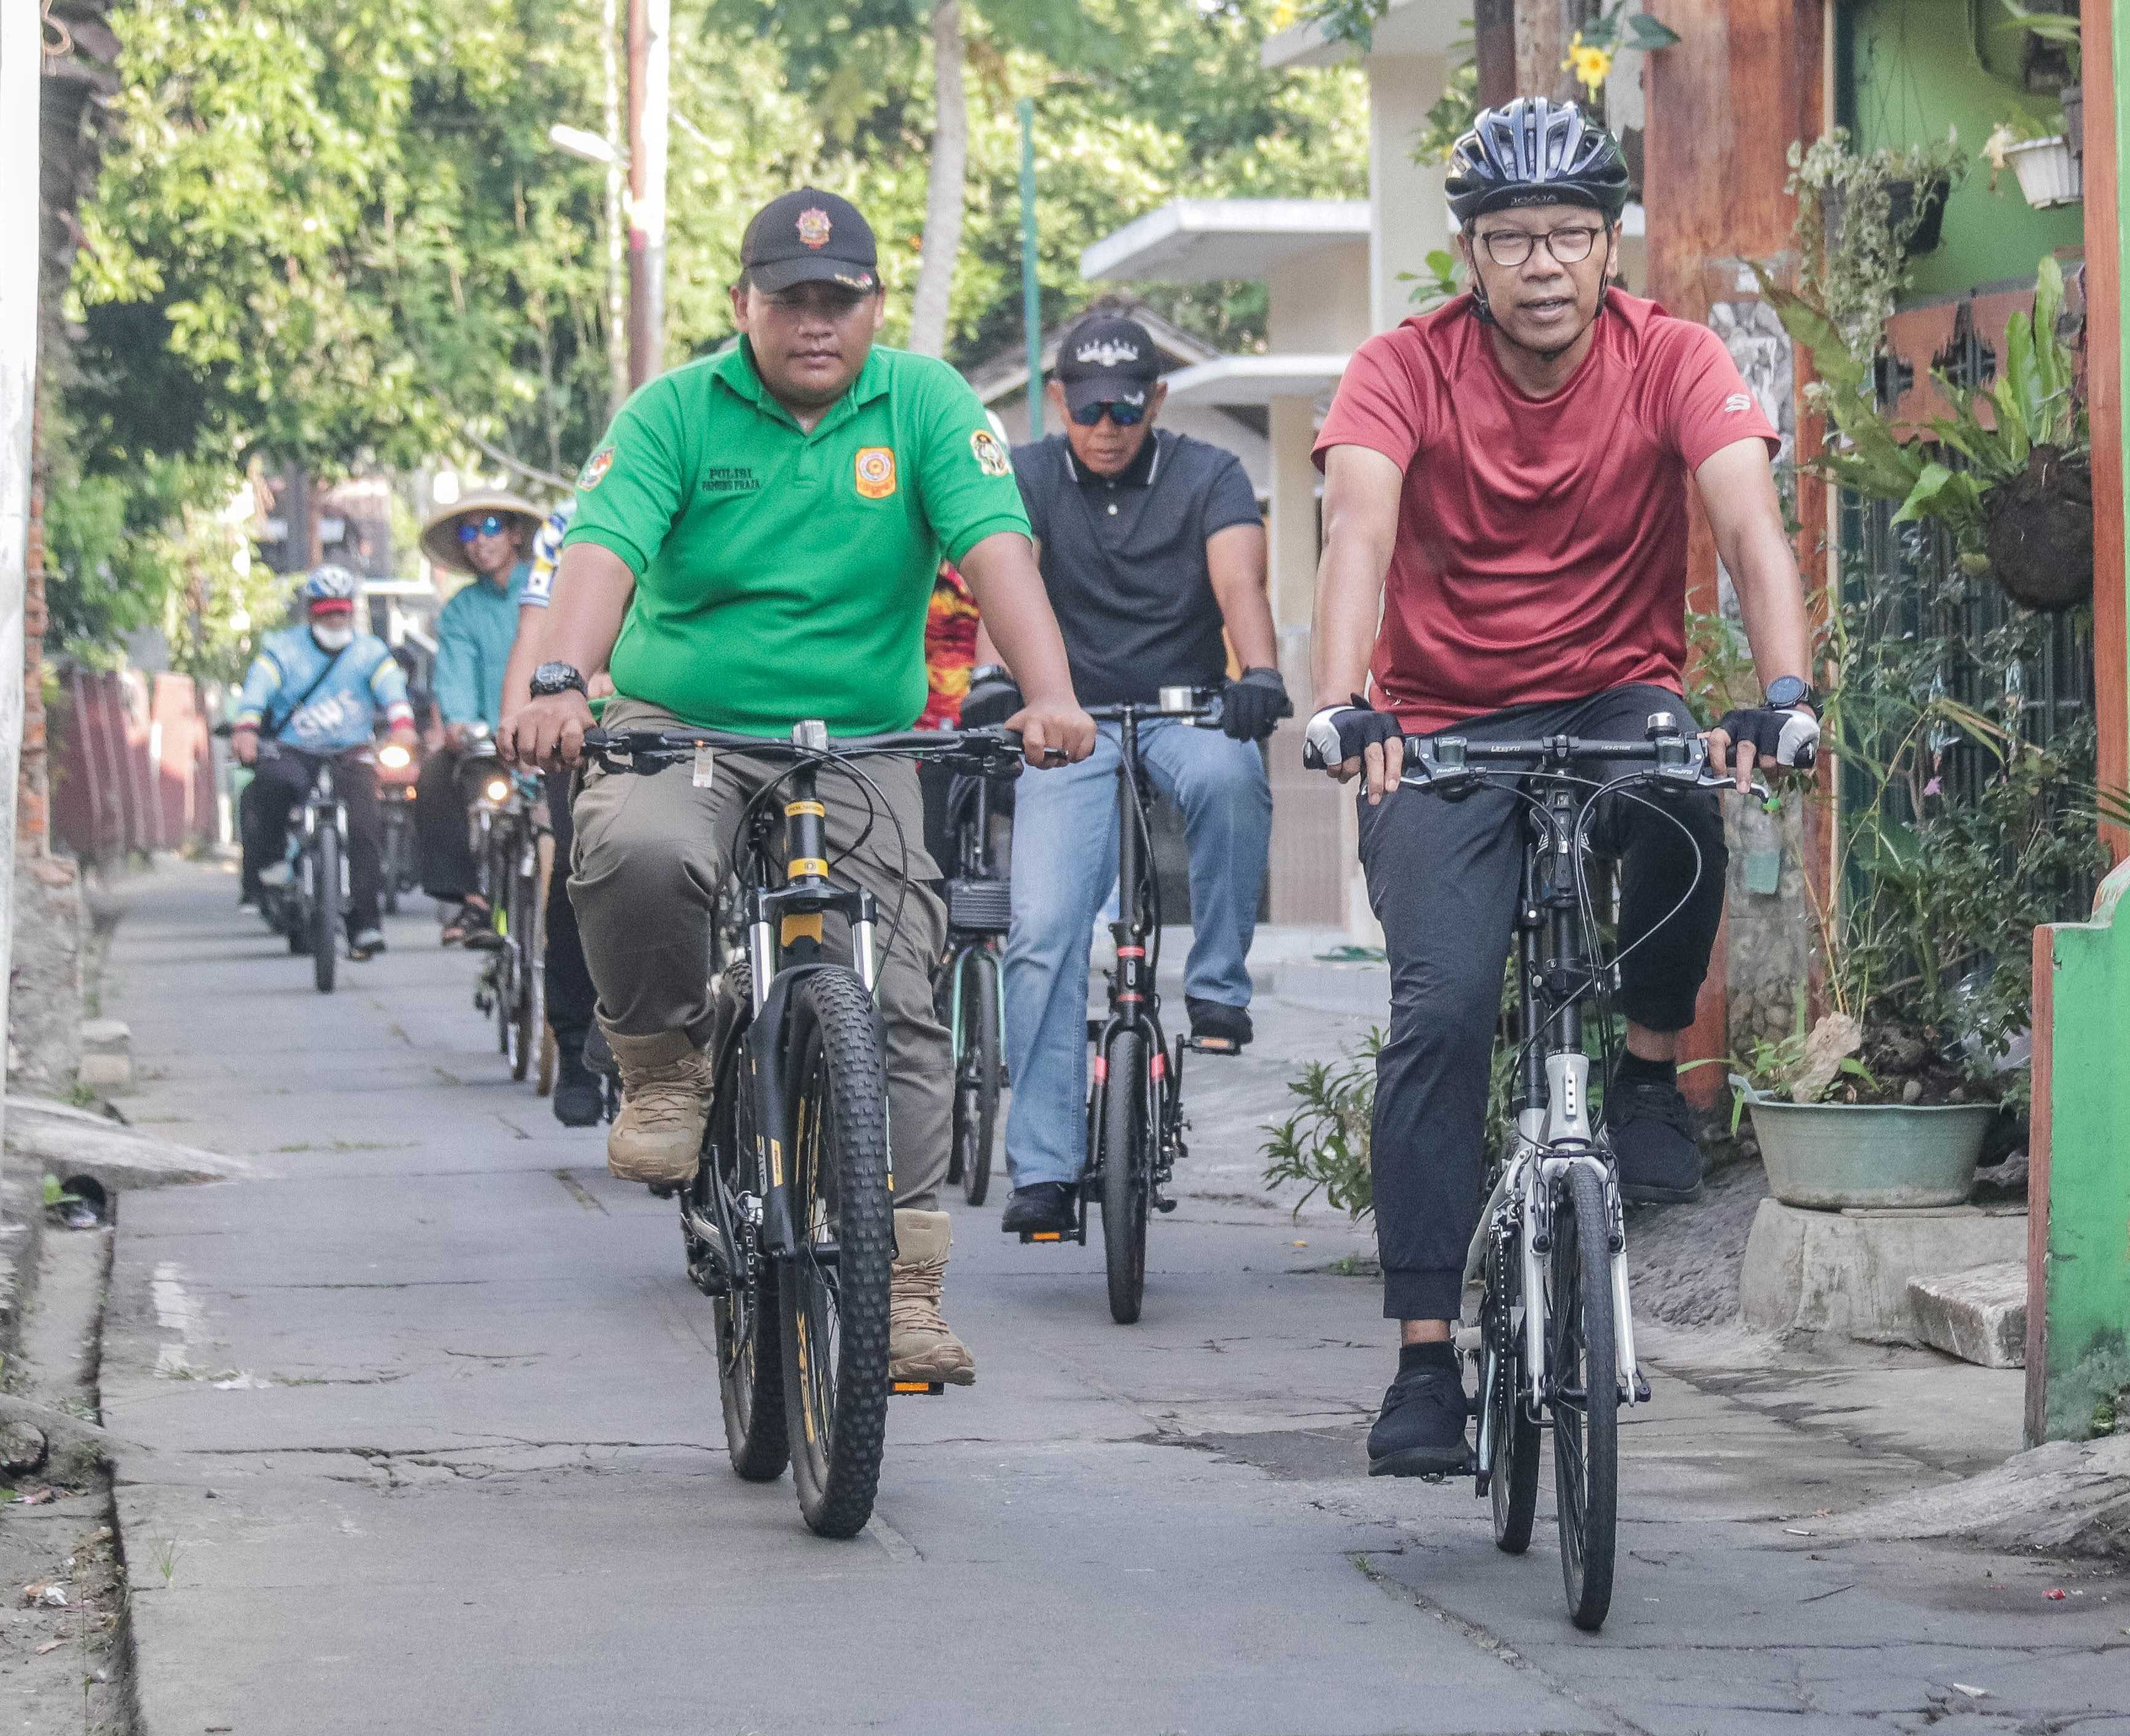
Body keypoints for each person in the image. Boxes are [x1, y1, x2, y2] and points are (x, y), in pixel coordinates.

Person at [500, 188, 1095, 1387]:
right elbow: (602, 546)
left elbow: (994, 547)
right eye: (790, 300)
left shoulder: (924, 401)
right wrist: (563, 680)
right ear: (744, 305)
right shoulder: (675, 409)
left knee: (909, 994)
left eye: (839, 301)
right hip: (688, 723)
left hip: (861, 738)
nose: (815, 323)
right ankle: (666, 1060)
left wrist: (1049, 693)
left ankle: (905, 1288)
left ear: (873, 305)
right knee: (639, 850)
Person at [1304, 98, 1819, 1478]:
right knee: (1441, 1011)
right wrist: (1344, 699)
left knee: (1682, 792)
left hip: (1610, 693)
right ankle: (1423, 1357)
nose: (1542, 263)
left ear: (1609, 247)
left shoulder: (1676, 358)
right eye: (1512, 237)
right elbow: (1357, 528)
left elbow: (1748, 528)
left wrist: (1781, 694)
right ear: (1469, 256)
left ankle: (1647, 1074)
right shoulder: (1399, 368)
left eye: (1570, 235)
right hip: (1438, 724)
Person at [968, 310, 1283, 1239]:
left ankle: (1220, 986)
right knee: (1042, 930)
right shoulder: (1023, 477)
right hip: (1067, 717)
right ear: (1059, 399)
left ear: (1156, 399)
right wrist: (996, 680)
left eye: (1126, 407)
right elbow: (1003, 578)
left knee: (1232, 778)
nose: (1106, 426)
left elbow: (1240, 587)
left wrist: (1258, 673)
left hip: (1186, 708)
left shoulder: (1208, 474)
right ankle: (1046, 1169)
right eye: (1088, 407)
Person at [232, 564, 418, 960]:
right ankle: (272, 866)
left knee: (367, 826)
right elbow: (257, 691)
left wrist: (403, 726)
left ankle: (365, 924)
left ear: (351, 612)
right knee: (271, 784)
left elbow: (392, 692)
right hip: (295, 750)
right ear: (311, 611)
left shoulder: (370, 652)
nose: (334, 619)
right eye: (325, 611)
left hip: (351, 752)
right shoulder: (282, 650)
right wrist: (247, 728)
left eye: (341, 611)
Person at [495, 497, 608, 1128]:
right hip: (579, 721)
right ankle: (573, 1045)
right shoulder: (569, 521)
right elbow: (534, 631)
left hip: (679, 709)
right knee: (575, 869)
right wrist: (519, 722)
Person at [413, 491, 545, 944]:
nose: (480, 541)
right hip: (490, 745)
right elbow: (454, 675)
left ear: (514, 535)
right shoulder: (461, 610)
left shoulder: (548, 587)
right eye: (469, 532)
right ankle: (473, 900)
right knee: (434, 778)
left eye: (491, 527)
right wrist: (458, 723)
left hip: (551, 739)